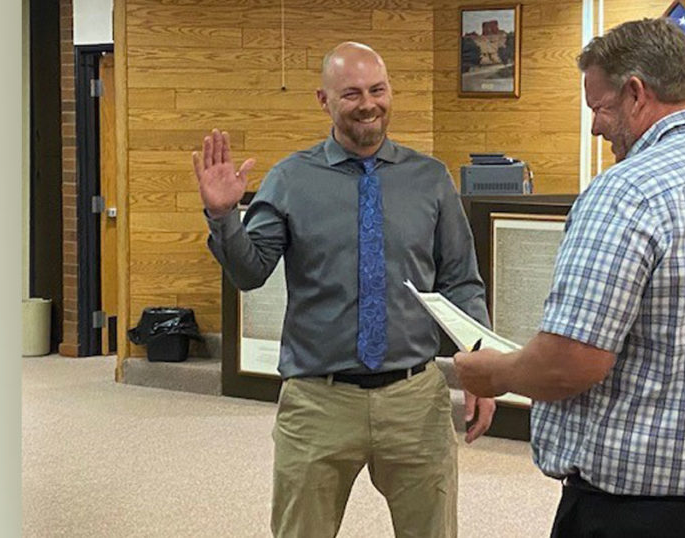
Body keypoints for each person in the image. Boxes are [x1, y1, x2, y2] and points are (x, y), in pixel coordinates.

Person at [454, 18, 685, 538]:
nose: (595, 126)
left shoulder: (625, 192)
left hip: (636, 514)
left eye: (598, 107)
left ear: (636, 93)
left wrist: (493, 375)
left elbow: (570, 364)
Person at [192, 42, 496, 538]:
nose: (368, 104)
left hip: (414, 399)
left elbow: (461, 281)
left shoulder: (430, 179)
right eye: (351, 93)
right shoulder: (290, 179)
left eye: (378, 90)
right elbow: (250, 273)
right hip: (317, 401)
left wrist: (481, 367)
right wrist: (225, 217)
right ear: (323, 100)